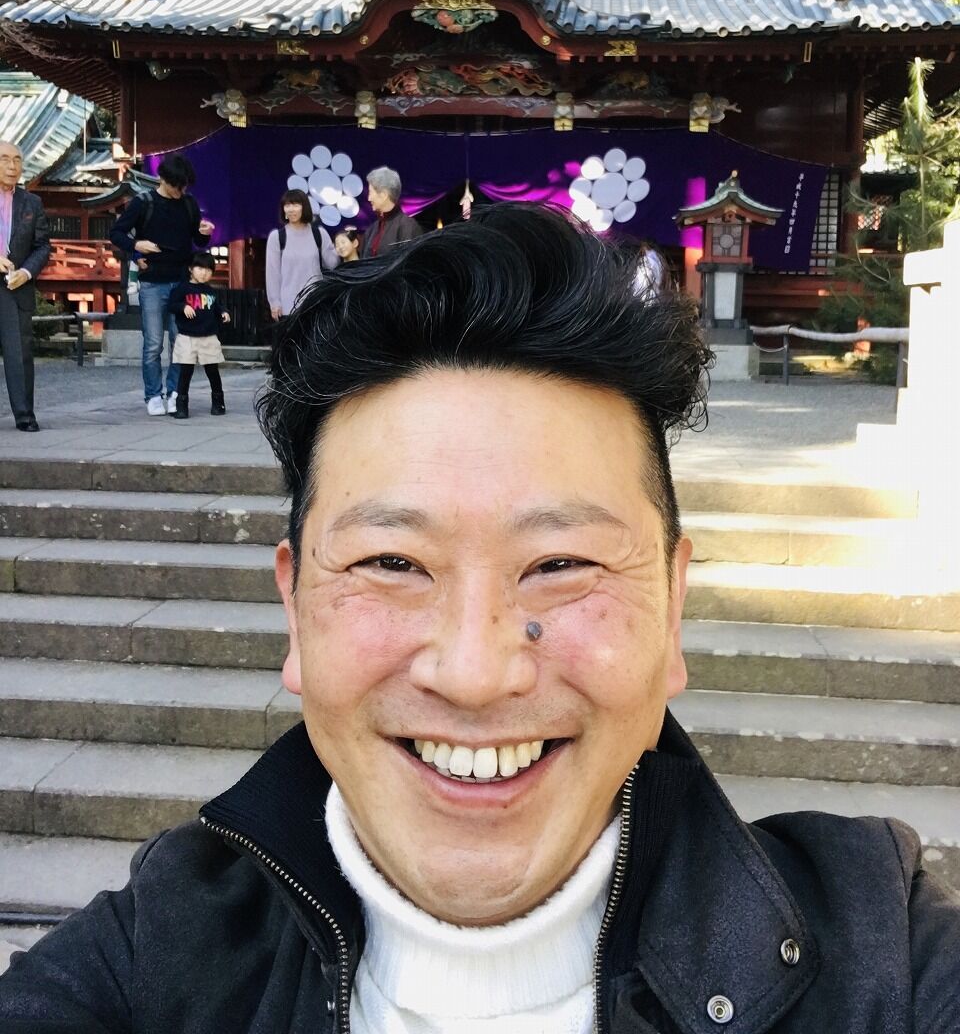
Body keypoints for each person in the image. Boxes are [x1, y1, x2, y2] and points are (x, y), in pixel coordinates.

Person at [2, 204, 958, 1033]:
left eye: (561, 565)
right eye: (391, 563)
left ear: (673, 609)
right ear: (295, 608)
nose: (473, 673)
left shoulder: (884, 950)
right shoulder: (153, 956)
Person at [110, 155, 215, 416]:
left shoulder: (189, 203)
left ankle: (175, 392)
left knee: (181, 341)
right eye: (176, 186)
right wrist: (137, 246)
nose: (180, 191)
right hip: (152, 282)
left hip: (182, 282)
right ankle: (153, 394)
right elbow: (116, 233)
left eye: (184, 186)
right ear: (162, 179)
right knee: (154, 342)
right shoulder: (143, 202)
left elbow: (197, 241)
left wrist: (204, 233)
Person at [0, 139, 50, 432]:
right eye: (5, 159)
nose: (12, 166)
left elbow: (43, 246)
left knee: (19, 353)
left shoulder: (32, 202)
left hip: (16, 286)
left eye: (17, 160)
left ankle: (24, 415)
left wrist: (27, 272)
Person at [168, 252, 230, 419]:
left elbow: (217, 306)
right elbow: (171, 305)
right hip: (187, 336)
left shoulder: (211, 291)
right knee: (185, 372)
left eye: (208, 270)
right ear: (191, 269)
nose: (204, 273)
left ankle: (218, 402)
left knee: (212, 371)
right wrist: (183, 307)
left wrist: (223, 312)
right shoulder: (182, 289)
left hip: (208, 336)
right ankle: (182, 406)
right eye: (200, 268)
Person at [266, 189, 339, 320]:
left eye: (295, 205)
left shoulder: (319, 234)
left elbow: (333, 264)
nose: (291, 209)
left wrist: (342, 245)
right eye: (287, 205)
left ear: (304, 207)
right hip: (288, 307)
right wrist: (274, 302)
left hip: (316, 304)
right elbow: (272, 273)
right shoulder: (277, 237)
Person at [361, 165, 422, 257]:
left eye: (370, 192)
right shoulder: (371, 230)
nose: (369, 198)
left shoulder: (408, 227)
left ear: (384, 195)